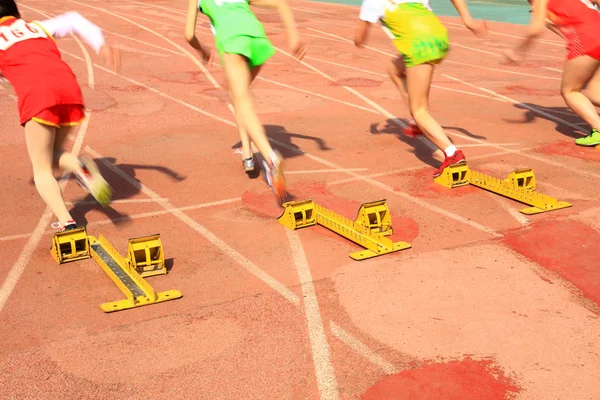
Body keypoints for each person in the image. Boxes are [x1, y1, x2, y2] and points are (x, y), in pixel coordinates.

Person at [0, 1, 120, 232]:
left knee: (42, 170)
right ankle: (80, 167)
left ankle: (68, 222)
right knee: (54, 153)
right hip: (68, 88)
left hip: (39, 95)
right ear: (17, 13)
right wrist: (101, 45)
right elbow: (74, 19)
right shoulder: (37, 27)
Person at [185, 0, 306, 201]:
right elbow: (281, 5)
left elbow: (189, 35)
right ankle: (248, 154)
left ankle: (270, 158)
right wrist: (293, 38)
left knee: (242, 101)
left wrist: (203, 50)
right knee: (238, 97)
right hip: (257, 37)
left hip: (232, 40)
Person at [354, 0, 486, 177]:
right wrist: (468, 20)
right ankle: (417, 122)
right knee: (394, 68)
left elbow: (359, 41)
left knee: (420, 110)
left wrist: (362, 26)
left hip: (420, 46)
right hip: (439, 38)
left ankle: (452, 154)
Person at [506, 0, 600, 147]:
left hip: (585, 40)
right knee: (593, 93)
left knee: (570, 91)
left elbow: (535, 30)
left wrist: (517, 52)